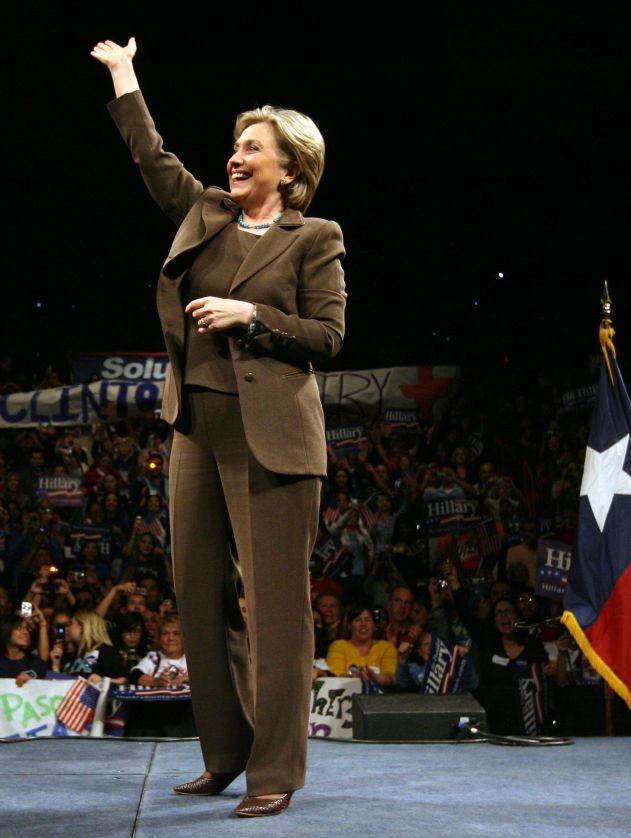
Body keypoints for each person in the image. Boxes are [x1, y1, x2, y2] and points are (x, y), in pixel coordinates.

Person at [92, 37, 345, 818]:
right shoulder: (205, 210)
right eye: (235, 146)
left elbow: (327, 338)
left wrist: (252, 316)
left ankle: (275, 771)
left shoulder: (316, 238)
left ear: (290, 168)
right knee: (201, 600)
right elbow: (152, 159)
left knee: (274, 610)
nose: (235, 156)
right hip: (196, 427)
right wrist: (125, 76)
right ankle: (225, 753)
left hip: (272, 438)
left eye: (252, 148)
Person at [326, 603, 398, 688]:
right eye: (357, 620)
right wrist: (352, 679)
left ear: (374, 626)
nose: (363, 624)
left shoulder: (386, 648)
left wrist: (376, 678)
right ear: (349, 626)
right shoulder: (338, 646)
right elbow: (334, 677)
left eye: (367, 620)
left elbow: (390, 678)